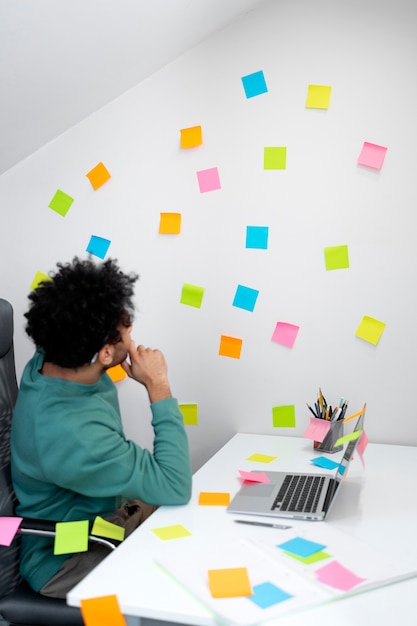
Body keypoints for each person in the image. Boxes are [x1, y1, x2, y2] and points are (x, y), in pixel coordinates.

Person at [10, 256, 192, 598]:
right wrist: (158, 386)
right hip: (68, 555)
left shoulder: (53, 359)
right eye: (125, 326)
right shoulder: (76, 435)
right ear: (106, 353)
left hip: (101, 518)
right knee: (185, 573)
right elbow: (174, 484)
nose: (131, 329)